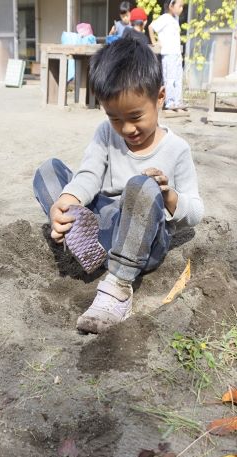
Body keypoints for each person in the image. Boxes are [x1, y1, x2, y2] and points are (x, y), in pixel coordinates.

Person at [33, 38, 204, 334]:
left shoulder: (177, 149)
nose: (126, 129)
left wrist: (168, 195)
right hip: (105, 223)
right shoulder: (105, 134)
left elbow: (196, 212)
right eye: (114, 118)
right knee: (48, 171)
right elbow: (88, 174)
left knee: (142, 185)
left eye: (135, 117)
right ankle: (89, 244)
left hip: (146, 238)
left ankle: (118, 285)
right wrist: (67, 200)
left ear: (160, 97)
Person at [149, 0, 185, 111]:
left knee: (178, 79)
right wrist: (154, 42)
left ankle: (178, 101)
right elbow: (151, 27)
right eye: (180, 6)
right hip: (168, 54)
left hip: (177, 54)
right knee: (170, 79)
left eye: (182, 6)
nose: (181, 9)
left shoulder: (175, 18)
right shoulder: (164, 18)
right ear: (171, 6)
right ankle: (170, 102)